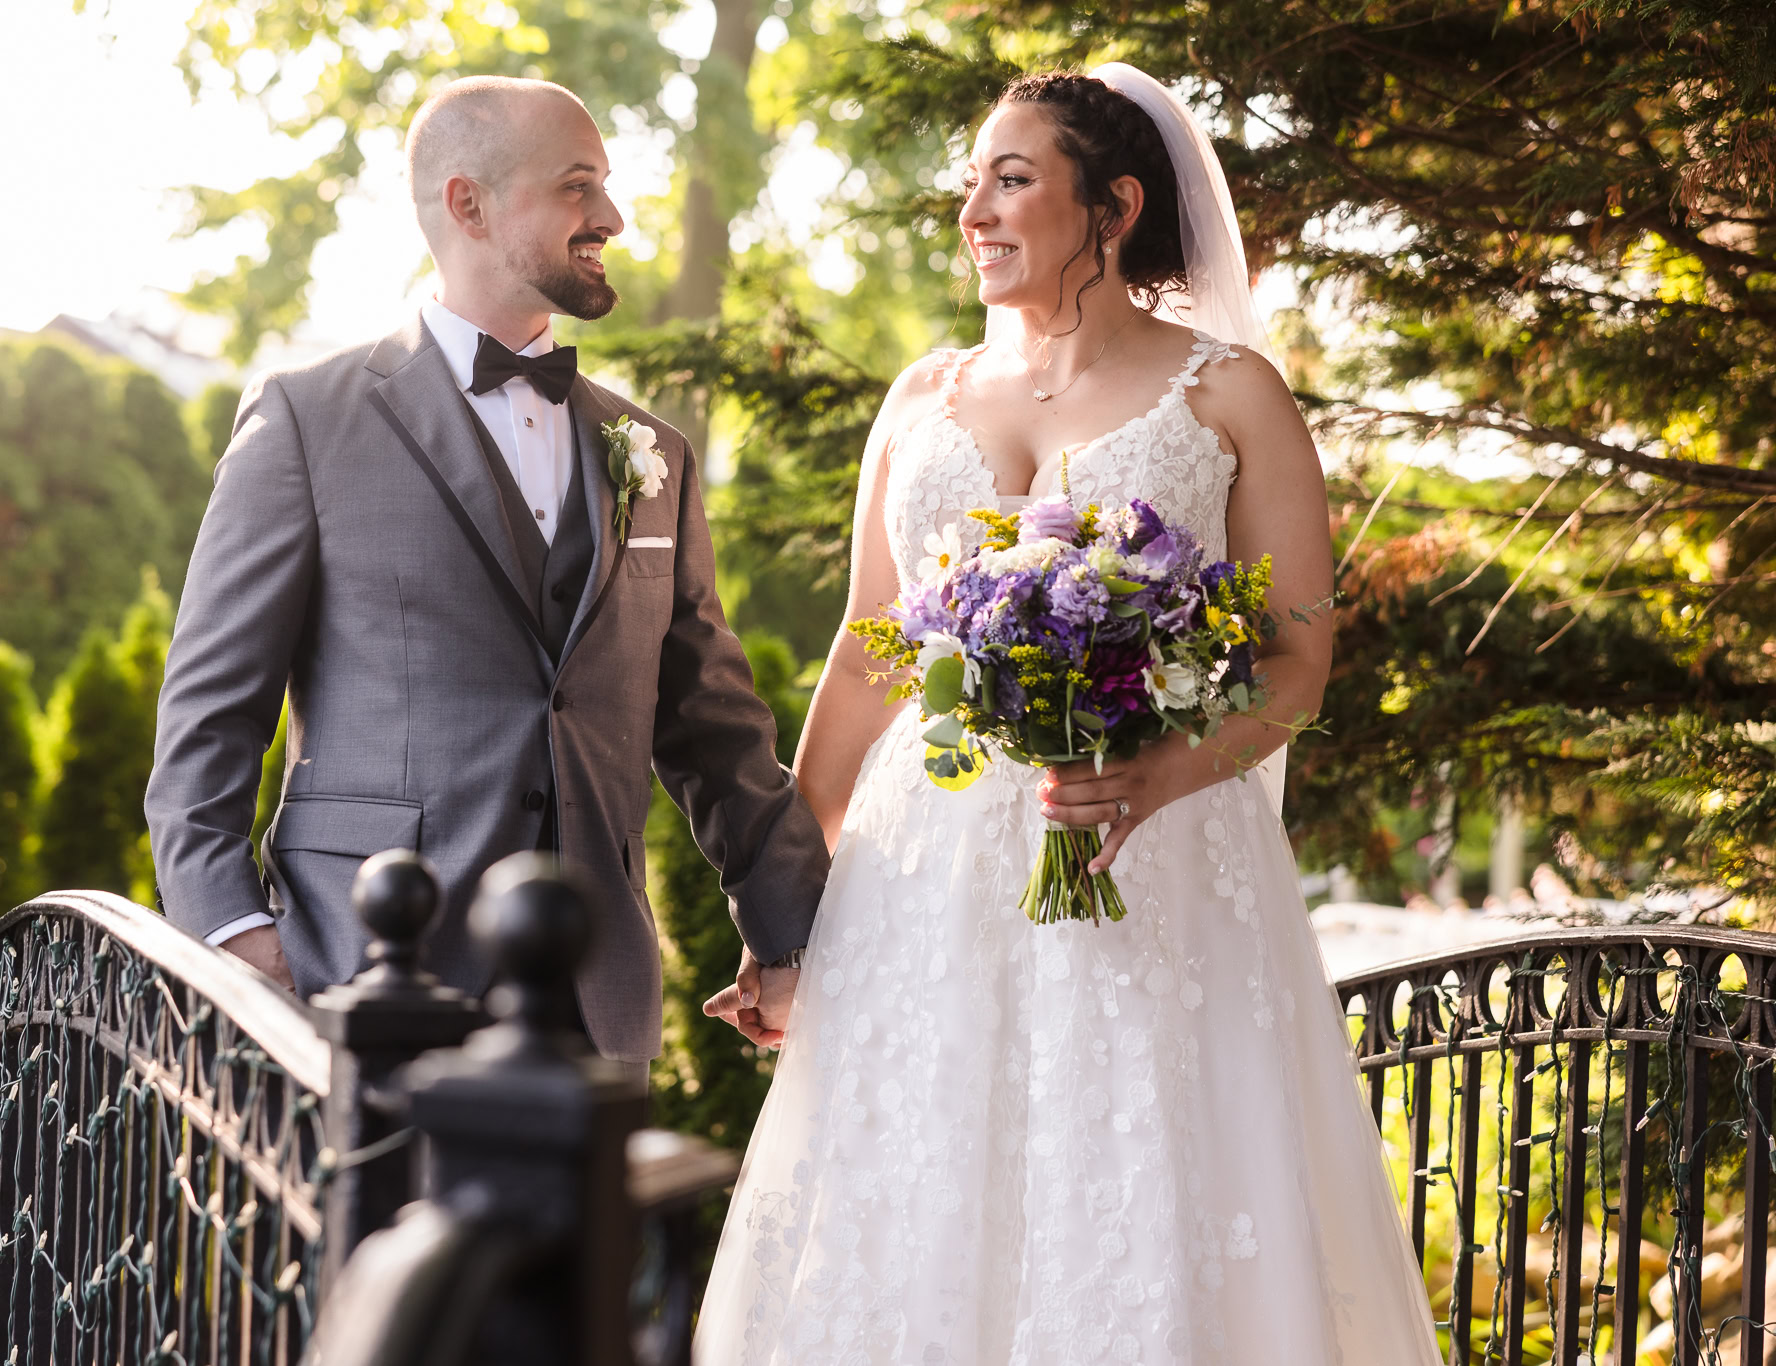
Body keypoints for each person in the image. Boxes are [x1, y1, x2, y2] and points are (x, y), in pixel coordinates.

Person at [694, 66, 1442, 1363]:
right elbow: (868, 663)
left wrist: (1151, 776)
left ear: (1115, 208)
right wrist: (783, 907)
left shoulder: (1229, 396)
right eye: (971, 179)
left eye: (1011, 177)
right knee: (917, 1205)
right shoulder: (919, 399)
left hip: (1152, 873)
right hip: (918, 884)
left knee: (1132, 1189)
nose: (972, 208)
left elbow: (1295, 670)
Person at [145, 75, 827, 1067]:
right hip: (362, 977)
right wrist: (232, 932)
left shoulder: (650, 452)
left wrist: (788, 932)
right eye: (576, 187)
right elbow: (209, 717)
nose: (611, 218)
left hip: (594, 994)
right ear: (467, 203)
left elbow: (712, 725)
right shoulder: (307, 420)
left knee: (591, 1231)